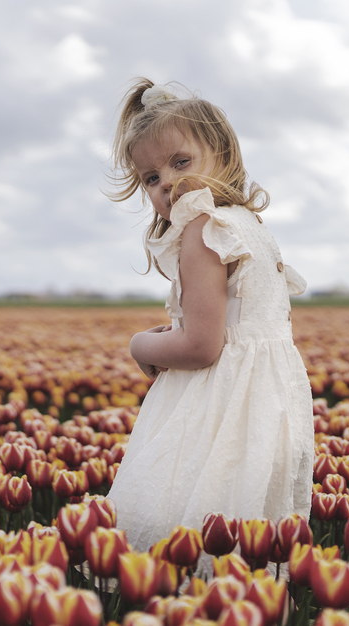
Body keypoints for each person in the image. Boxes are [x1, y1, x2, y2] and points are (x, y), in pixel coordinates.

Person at [107, 78, 314, 558]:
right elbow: (239, 325)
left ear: (223, 153)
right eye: (150, 178)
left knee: (188, 519)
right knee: (251, 532)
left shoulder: (204, 229)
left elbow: (202, 347)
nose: (166, 184)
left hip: (219, 403)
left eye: (180, 162)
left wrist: (141, 345)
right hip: (267, 403)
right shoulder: (251, 226)